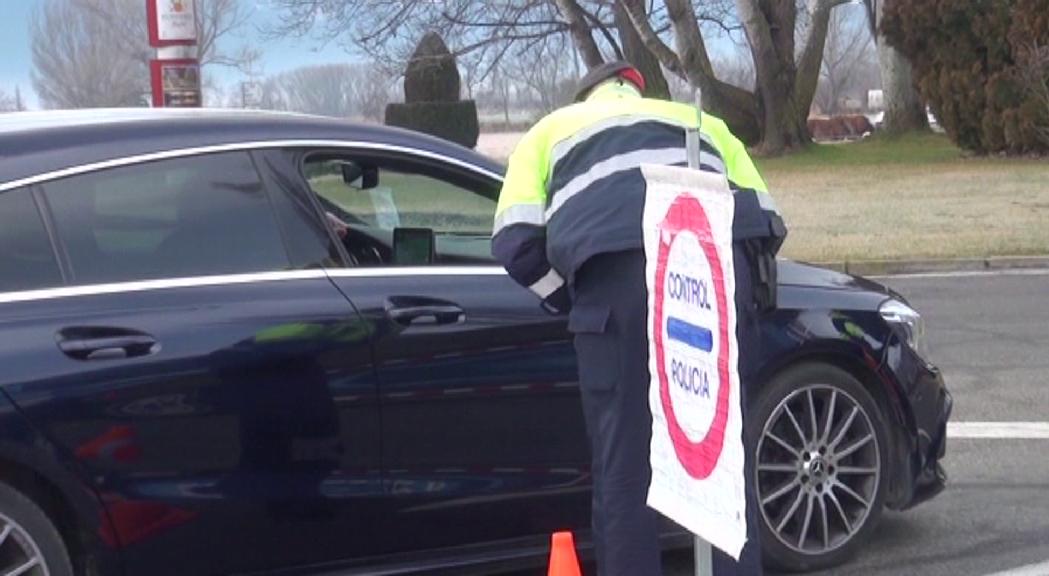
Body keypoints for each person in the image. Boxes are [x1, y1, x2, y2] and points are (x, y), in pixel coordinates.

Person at [491, 60, 786, 576]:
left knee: (624, 472)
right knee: (721, 469)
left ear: (587, 96)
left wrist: (575, 299)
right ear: (639, 88)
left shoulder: (549, 132)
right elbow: (768, 220)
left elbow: (513, 241)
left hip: (614, 288)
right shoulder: (701, 123)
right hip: (708, 285)